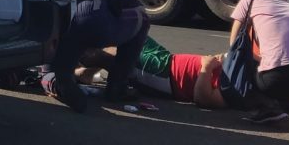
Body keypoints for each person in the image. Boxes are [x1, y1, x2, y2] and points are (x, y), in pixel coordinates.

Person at [45, 0, 150, 112]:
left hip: (71, 28)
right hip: (99, 24)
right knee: (142, 17)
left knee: (58, 69)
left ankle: (59, 81)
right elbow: (130, 4)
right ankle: (117, 86)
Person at [76, 37, 227, 109]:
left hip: (166, 77)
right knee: (130, 31)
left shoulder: (238, 90)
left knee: (113, 56)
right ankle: (87, 72)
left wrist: (206, 67)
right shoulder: (244, 69)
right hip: (168, 58)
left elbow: (202, 98)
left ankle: (62, 67)